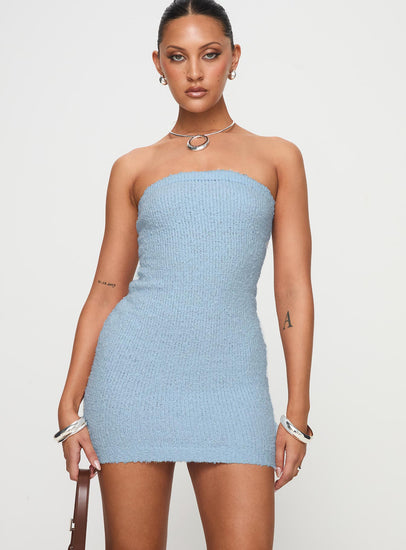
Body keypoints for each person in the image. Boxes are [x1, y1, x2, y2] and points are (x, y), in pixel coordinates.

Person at [55, 1, 314, 548]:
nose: (194, 72)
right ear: (159, 64)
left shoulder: (278, 158)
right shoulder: (133, 167)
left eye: (210, 54)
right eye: (178, 57)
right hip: (132, 379)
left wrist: (297, 409)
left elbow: (292, 287)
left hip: (232, 382)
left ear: (234, 58)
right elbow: (106, 291)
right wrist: (69, 405)